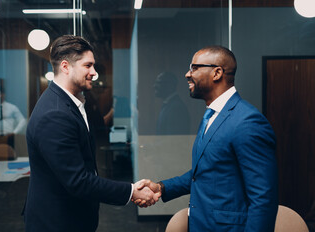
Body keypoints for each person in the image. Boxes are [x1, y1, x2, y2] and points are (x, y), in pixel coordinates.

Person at [23, 35, 160, 232]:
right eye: (88, 66)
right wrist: (131, 191)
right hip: (56, 222)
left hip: (72, 217)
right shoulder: (54, 114)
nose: (94, 73)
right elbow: (77, 181)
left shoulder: (72, 103)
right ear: (65, 67)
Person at [137, 46, 279, 231]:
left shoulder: (247, 122)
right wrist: (162, 188)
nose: (188, 74)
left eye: (194, 68)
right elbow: (204, 174)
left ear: (217, 73)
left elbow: (263, 198)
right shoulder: (212, 116)